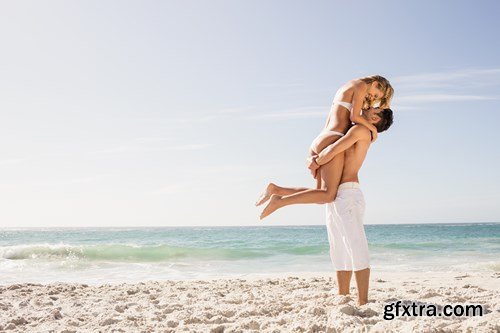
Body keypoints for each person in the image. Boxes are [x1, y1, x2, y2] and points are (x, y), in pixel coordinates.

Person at [259, 107, 394, 306]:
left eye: (375, 108)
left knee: (356, 246)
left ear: (375, 117)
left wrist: (315, 161)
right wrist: (314, 161)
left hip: (348, 193)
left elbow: (333, 150)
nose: (368, 106)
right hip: (338, 195)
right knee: (338, 247)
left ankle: (363, 301)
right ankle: (343, 294)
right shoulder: (362, 129)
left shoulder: (360, 131)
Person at [255, 75, 393, 219]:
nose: (372, 97)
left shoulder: (347, 87)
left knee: (321, 195)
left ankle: (277, 190)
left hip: (321, 139)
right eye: (375, 94)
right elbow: (354, 117)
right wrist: (373, 130)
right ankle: (279, 202)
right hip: (332, 139)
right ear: (376, 83)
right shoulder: (361, 85)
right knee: (328, 195)